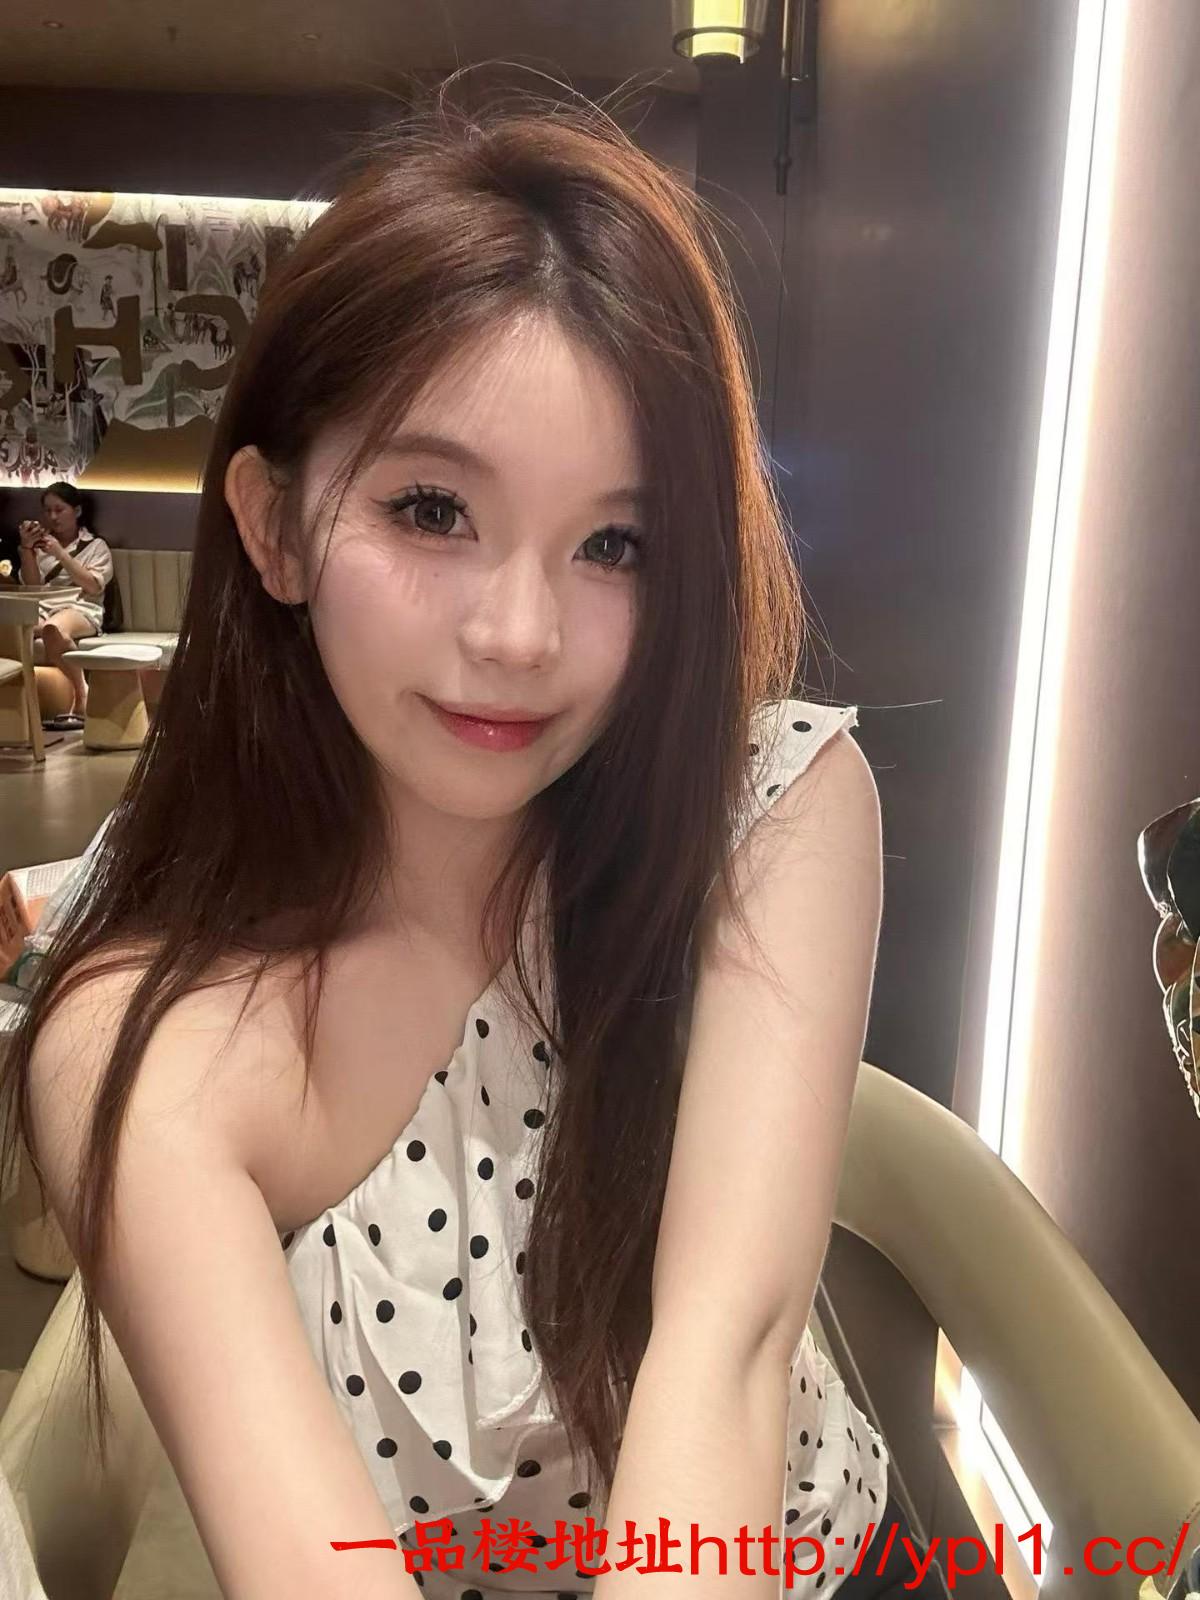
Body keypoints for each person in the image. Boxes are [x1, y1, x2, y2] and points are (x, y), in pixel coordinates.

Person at [0, 88, 931, 1600]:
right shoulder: (147, 1040)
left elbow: (730, 1351)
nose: (520, 634)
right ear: (276, 527)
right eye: (433, 509)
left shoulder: (767, 812)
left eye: (614, 543)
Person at [17, 481, 114, 729]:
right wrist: (27, 549)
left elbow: (93, 586)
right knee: (14, 629)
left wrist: (61, 554)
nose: (53, 517)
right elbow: (33, 587)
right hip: (43, 606)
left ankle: (82, 693)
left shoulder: (95, 546)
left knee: (53, 629)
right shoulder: (40, 546)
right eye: (47, 511)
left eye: (59, 510)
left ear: (77, 511)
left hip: (80, 607)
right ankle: (19, 709)